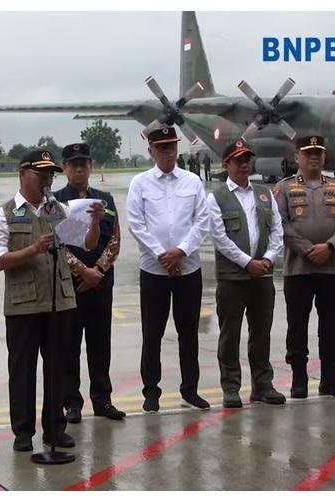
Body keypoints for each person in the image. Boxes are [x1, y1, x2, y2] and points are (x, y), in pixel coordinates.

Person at [0, 148, 103, 452]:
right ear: (22, 174)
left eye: (50, 174)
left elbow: (86, 245)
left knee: (58, 369)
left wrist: (93, 223)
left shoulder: (58, 210)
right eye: (40, 174)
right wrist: (32, 250)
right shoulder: (6, 212)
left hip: (59, 302)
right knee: (23, 370)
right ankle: (23, 432)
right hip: (24, 305)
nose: (46, 180)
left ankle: (55, 428)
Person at [126, 127, 211, 413]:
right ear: (151, 151)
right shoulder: (140, 183)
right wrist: (162, 255)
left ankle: (190, 389)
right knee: (153, 333)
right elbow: (136, 224)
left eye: (172, 146)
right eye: (162, 147)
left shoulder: (193, 181)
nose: (168, 152)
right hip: (154, 270)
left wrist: (181, 252)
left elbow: (203, 221)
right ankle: (151, 391)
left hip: (188, 268)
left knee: (189, 332)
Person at [206, 140, 286, 408]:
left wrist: (268, 259)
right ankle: (231, 387)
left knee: (261, 332)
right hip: (233, 278)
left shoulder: (265, 194)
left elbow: (277, 230)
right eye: (238, 160)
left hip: (262, 276)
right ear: (225, 164)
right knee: (230, 333)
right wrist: (246, 262)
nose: (244, 164)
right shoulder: (216, 198)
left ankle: (263, 385)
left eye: (247, 159)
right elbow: (219, 237)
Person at [273, 135, 335, 399]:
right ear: (297, 157)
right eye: (308, 153)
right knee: (297, 327)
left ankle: (330, 377)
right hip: (298, 270)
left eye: (318, 152)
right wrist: (307, 248)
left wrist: (329, 247)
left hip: (332, 270)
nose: (314, 157)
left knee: (332, 327)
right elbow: (280, 225)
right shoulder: (284, 189)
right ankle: (299, 378)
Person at [53, 143, 125, 423]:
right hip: (71, 286)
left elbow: (115, 238)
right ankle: (71, 402)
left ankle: (102, 399)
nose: (79, 168)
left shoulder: (105, 200)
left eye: (84, 163)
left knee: (100, 345)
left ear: (91, 166)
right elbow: (59, 243)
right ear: (65, 167)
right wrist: (83, 271)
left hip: (101, 284)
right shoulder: (55, 201)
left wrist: (98, 270)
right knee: (68, 347)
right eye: (73, 164)